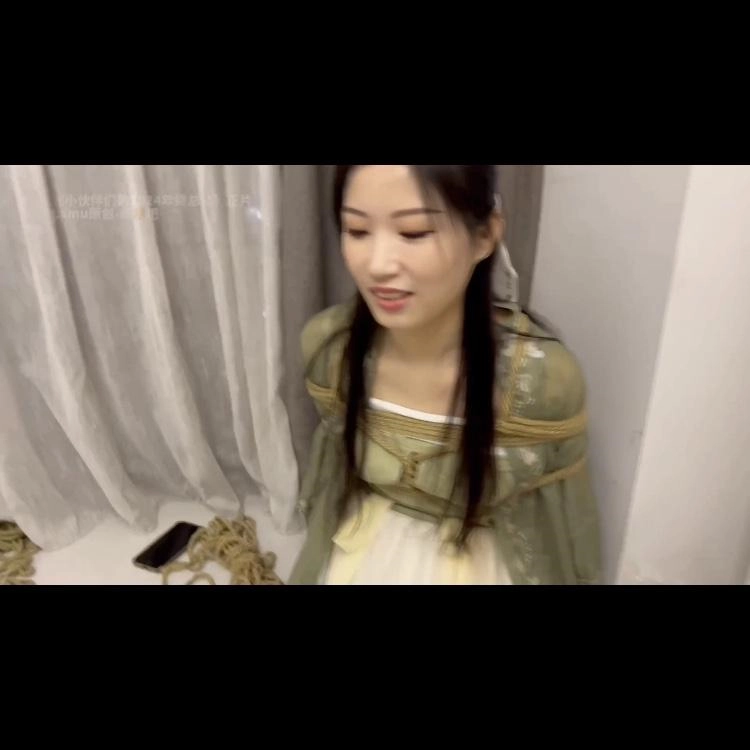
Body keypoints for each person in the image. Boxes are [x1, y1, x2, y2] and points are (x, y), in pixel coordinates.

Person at [289, 165, 600, 585]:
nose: (377, 265)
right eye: (358, 231)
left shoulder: (540, 383)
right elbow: (331, 479)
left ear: (485, 236)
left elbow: (561, 526)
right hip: (368, 546)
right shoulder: (332, 350)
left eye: (413, 232)